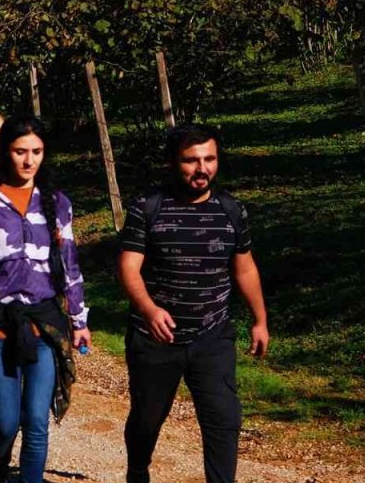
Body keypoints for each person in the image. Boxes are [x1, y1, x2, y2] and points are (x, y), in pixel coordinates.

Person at [0, 116, 92, 483]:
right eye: (21, 151)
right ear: (7, 152)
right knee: (7, 422)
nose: (29, 160)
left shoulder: (57, 204)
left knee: (36, 422)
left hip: (44, 323)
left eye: (37, 152)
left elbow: (69, 264)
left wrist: (79, 319)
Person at [118, 124, 268, 483]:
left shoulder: (231, 210)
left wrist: (260, 320)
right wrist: (149, 309)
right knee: (146, 420)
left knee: (224, 420)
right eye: (191, 160)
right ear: (174, 162)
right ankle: (137, 470)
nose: (202, 168)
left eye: (210, 159)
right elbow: (128, 267)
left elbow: (244, 267)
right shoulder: (148, 207)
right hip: (155, 339)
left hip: (212, 335)